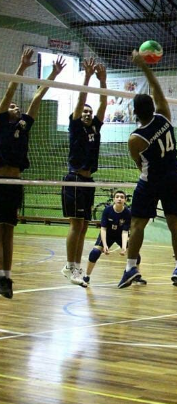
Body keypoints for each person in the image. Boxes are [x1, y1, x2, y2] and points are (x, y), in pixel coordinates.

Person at [0, 49, 65, 299]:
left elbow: (38, 96)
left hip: (15, 182)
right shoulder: (0, 123)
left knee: (8, 230)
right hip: (0, 182)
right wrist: (22, 67)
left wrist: (53, 74)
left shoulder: (24, 127)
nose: (16, 107)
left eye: (18, 107)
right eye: (13, 107)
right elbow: (9, 92)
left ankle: (6, 277)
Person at [118, 50, 177, 289]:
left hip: (151, 180)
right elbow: (156, 87)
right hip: (173, 178)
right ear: (153, 107)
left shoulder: (135, 138)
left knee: (137, 224)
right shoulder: (165, 116)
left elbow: (137, 162)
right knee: (175, 225)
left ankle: (130, 269)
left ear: (135, 113)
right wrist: (144, 65)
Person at [61, 58, 107, 287]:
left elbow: (103, 104)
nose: (88, 114)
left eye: (90, 112)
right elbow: (81, 100)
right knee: (75, 225)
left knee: (83, 226)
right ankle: (70, 266)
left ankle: (76, 266)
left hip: (89, 181)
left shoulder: (96, 128)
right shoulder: (76, 126)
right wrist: (88, 77)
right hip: (75, 178)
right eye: (85, 112)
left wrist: (103, 80)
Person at [83, 190, 146, 286]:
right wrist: (104, 245)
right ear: (114, 199)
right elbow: (103, 229)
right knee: (94, 253)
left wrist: (124, 247)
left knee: (136, 255)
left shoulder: (127, 213)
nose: (119, 199)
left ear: (125, 200)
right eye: (117, 197)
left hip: (120, 235)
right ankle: (86, 276)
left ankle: (136, 277)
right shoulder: (107, 210)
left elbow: (125, 232)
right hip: (107, 235)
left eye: (122, 197)